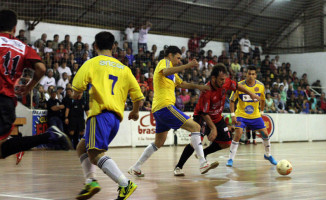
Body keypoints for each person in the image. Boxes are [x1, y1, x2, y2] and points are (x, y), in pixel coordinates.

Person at [72, 31, 144, 200]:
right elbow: (139, 97)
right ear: (113, 46)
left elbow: (76, 90)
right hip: (115, 120)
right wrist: (134, 111)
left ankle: (125, 184)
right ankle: (90, 181)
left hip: (99, 115)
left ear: (95, 46)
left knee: (95, 154)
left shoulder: (92, 63)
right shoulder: (125, 69)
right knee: (82, 148)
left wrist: (78, 95)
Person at [128, 46, 217, 177]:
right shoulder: (164, 63)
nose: (179, 61)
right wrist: (188, 65)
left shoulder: (173, 74)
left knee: (158, 143)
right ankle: (203, 163)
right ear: (170, 55)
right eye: (178, 58)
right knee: (196, 127)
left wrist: (199, 87)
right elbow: (165, 71)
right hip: (165, 107)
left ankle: (136, 167)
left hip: (159, 110)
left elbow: (182, 84)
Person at [0, 10, 72, 161]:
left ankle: (49, 136)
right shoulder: (22, 47)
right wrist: (29, 87)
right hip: (5, 102)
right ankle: (49, 136)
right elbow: (41, 68)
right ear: (14, 29)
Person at [173, 64, 260, 176]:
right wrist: (213, 129)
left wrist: (251, 94)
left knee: (226, 143)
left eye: (224, 79)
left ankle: (203, 153)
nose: (224, 82)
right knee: (196, 141)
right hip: (202, 117)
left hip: (217, 117)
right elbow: (204, 113)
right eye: (221, 79)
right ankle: (179, 167)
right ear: (213, 78)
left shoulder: (225, 82)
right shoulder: (206, 91)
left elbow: (237, 86)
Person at [226, 66, 277, 167]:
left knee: (265, 134)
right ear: (246, 74)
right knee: (238, 134)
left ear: (256, 75)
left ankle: (268, 155)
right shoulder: (239, 85)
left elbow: (262, 100)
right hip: (241, 115)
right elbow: (232, 100)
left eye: (253, 74)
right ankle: (230, 159)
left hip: (255, 116)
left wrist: (262, 112)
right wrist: (233, 115)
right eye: (249, 74)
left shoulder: (260, 86)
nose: (251, 76)